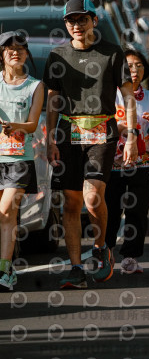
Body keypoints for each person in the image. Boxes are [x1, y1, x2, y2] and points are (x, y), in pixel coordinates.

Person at [45, 0, 138, 289]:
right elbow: (52, 100)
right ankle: (76, 268)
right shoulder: (58, 56)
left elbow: (129, 96)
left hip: (102, 131)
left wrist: (132, 135)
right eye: (71, 20)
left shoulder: (112, 53)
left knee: (93, 197)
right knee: (71, 202)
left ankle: (100, 247)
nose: (77, 25)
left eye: (82, 19)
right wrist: (49, 138)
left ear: (94, 21)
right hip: (68, 132)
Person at [105, 50, 149, 274]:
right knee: (110, 209)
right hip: (112, 161)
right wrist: (121, 127)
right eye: (129, 65)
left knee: (137, 211)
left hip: (142, 162)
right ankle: (106, 252)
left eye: (139, 65)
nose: (134, 70)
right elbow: (100, 123)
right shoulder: (109, 93)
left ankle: (130, 257)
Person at [0, 32, 45, 291]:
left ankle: (5, 269)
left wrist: (13, 126)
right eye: (9, 49)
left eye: (20, 49)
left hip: (18, 158)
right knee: (3, 216)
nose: (15, 52)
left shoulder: (35, 86)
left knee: (7, 210)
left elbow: (32, 124)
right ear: (2, 54)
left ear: (26, 54)